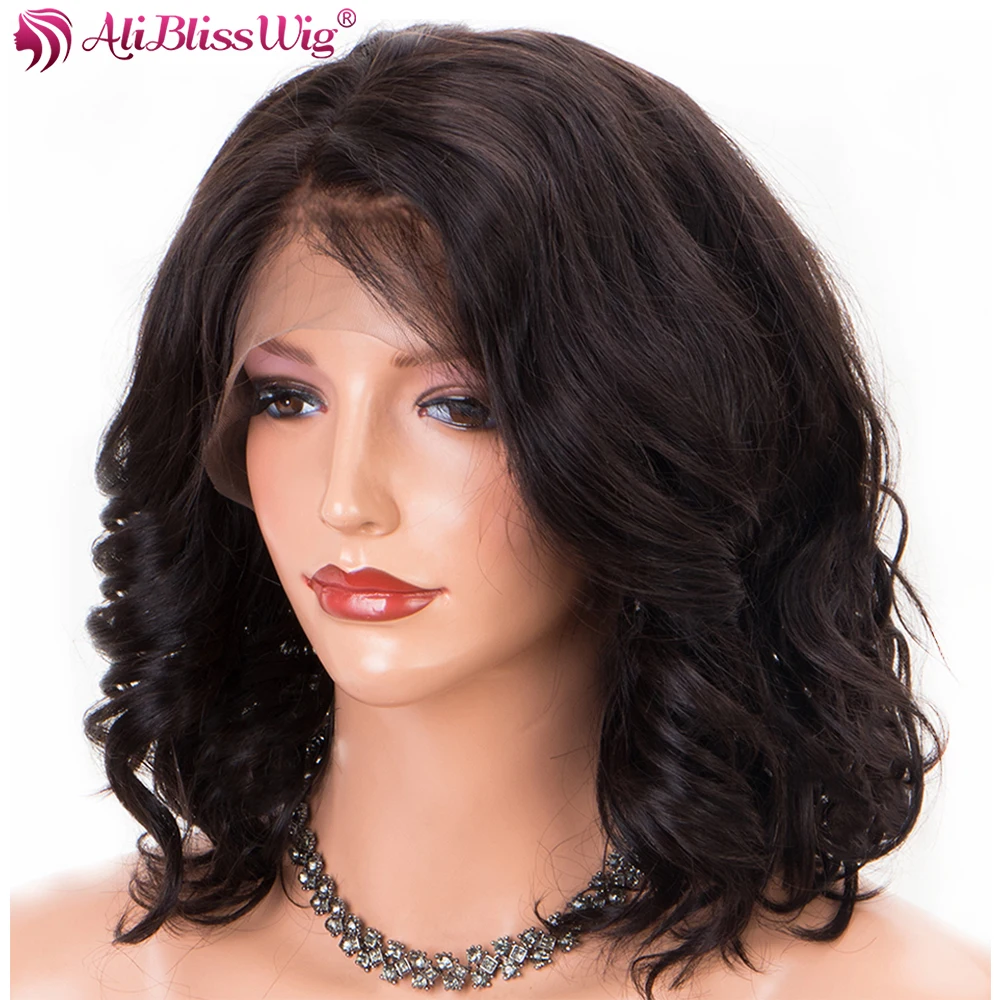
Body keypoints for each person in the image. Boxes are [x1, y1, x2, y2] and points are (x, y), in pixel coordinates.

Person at [10, 21, 989, 1000]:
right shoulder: (57, 971)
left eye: (459, 407)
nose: (345, 499)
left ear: (651, 442)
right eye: (288, 399)